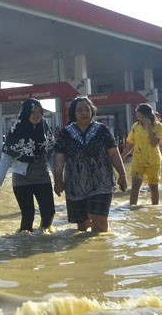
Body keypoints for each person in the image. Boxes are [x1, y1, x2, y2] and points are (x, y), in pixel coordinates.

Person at [54, 97, 128, 233]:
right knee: (82, 226)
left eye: (87, 109)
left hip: (102, 182)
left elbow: (113, 153)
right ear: (73, 113)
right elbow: (59, 158)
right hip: (76, 186)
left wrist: (122, 174)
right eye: (80, 110)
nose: (84, 113)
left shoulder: (102, 130)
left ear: (92, 111)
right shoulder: (65, 133)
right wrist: (58, 181)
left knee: (98, 218)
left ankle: (102, 251)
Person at [0, 98, 56, 233]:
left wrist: (59, 179)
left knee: (49, 213)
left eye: (39, 112)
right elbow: (6, 160)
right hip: (22, 180)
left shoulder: (45, 130)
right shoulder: (16, 132)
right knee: (28, 216)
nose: (37, 115)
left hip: (42, 177)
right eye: (33, 112)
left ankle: (44, 237)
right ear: (26, 113)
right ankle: (24, 243)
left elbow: (52, 157)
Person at [122, 103, 162, 205]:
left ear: (148, 115)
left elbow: (154, 143)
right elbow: (131, 145)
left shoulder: (158, 126)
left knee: (153, 187)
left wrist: (149, 127)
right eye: (138, 116)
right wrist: (121, 156)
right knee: (135, 186)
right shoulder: (135, 127)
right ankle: (132, 207)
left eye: (141, 116)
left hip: (153, 160)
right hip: (138, 160)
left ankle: (155, 208)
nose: (139, 118)